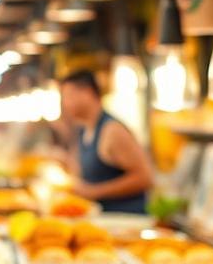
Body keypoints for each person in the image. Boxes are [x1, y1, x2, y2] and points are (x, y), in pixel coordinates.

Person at [58, 70, 153, 214]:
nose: (64, 104)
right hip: (102, 218)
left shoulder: (112, 131)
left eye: (68, 96)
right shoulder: (84, 129)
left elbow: (145, 178)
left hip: (127, 220)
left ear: (87, 93)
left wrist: (94, 192)